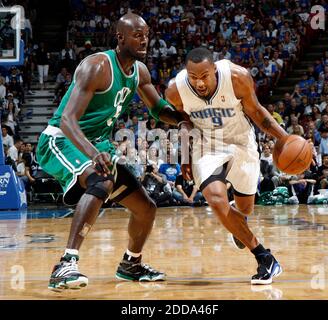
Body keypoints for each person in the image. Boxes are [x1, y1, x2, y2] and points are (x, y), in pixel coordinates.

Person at [36, 13, 184, 291]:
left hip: (96, 145)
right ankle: (65, 263)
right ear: (120, 37)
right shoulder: (98, 66)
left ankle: (131, 264)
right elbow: (68, 120)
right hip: (60, 139)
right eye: (137, 34)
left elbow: (158, 108)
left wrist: (184, 120)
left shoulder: (139, 71)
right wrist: (94, 153)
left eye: (147, 34)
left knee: (146, 208)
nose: (144, 39)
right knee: (101, 178)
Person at [165, 47, 290, 285]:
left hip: (242, 142)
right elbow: (183, 120)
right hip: (207, 145)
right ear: (186, 73)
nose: (199, 83)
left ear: (214, 69)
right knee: (216, 200)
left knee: (245, 210)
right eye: (193, 77)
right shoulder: (175, 90)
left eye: (204, 76)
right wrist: (184, 155)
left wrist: (284, 138)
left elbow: (257, 113)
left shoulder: (236, 77)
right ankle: (265, 257)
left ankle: (237, 221)